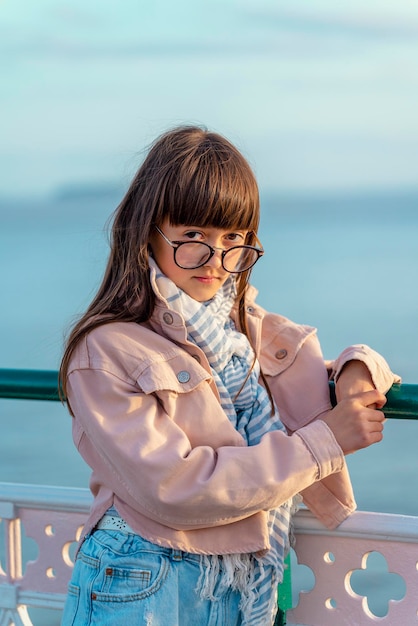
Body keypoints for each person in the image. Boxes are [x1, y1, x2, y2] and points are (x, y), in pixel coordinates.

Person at [59, 125, 398, 626]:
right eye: (193, 236)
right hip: (141, 574)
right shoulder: (107, 349)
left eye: (233, 239)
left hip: (235, 583)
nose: (216, 260)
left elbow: (333, 372)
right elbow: (174, 488)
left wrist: (353, 372)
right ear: (146, 230)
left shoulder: (247, 335)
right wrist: (323, 442)